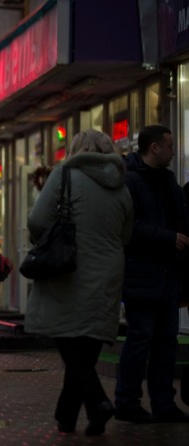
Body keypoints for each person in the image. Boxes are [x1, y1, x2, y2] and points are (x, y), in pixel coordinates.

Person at [24, 130, 133, 436]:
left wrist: (45, 240)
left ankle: (99, 402)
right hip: (109, 271)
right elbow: (126, 234)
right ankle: (66, 415)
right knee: (87, 343)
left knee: (68, 338)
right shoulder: (121, 185)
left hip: (69, 268)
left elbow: (36, 220)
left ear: (74, 149)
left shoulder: (64, 175)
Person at [115, 124, 189, 423]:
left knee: (166, 340)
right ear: (155, 147)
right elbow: (128, 228)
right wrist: (167, 238)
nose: (173, 151)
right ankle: (127, 402)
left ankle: (163, 402)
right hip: (142, 275)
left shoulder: (168, 180)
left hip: (168, 274)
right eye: (169, 145)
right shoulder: (131, 181)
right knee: (140, 338)